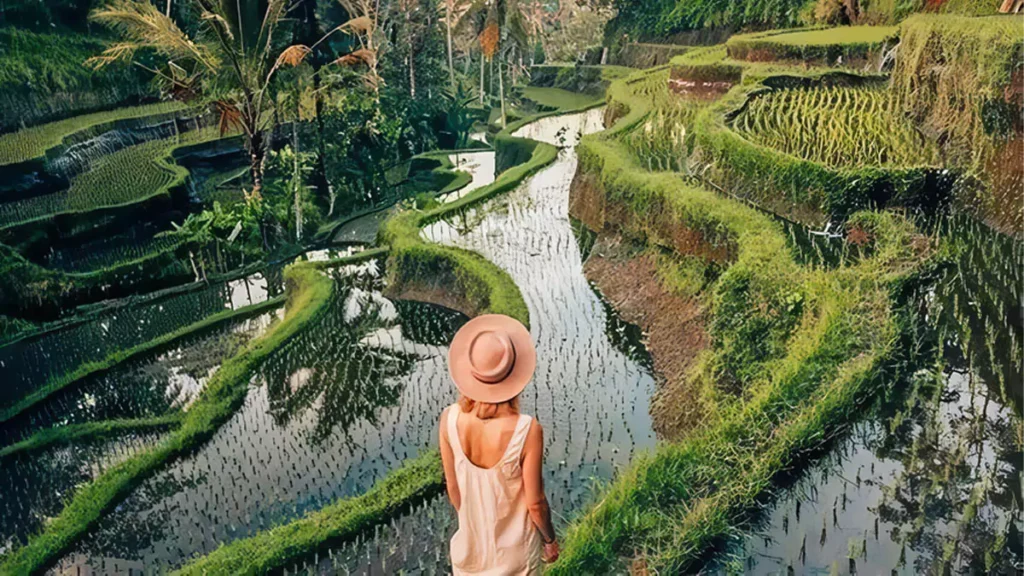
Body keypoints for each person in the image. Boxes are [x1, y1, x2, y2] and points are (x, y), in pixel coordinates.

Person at [439, 314, 559, 575]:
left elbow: (454, 489)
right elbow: (536, 503)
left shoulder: (449, 419)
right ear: (515, 375)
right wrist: (550, 540)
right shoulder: (526, 429)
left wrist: (478, 528)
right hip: (515, 558)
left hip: (469, 553)